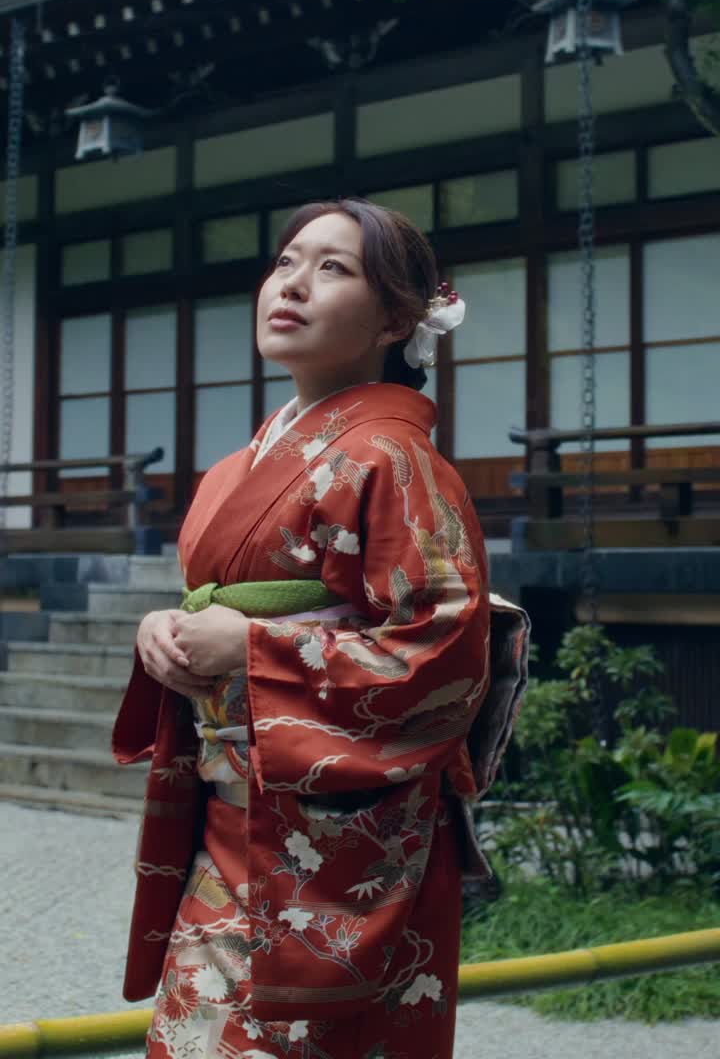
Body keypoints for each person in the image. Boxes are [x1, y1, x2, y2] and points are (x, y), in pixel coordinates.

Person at [113, 198, 521, 1059]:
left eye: (331, 268)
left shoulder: (392, 457)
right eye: (285, 261)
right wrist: (165, 629)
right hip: (231, 824)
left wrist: (254, 647)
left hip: (337, 851)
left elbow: (442, 651)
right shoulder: (241, 463)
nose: (290, 285)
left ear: (397, 318)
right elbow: (212, 601)